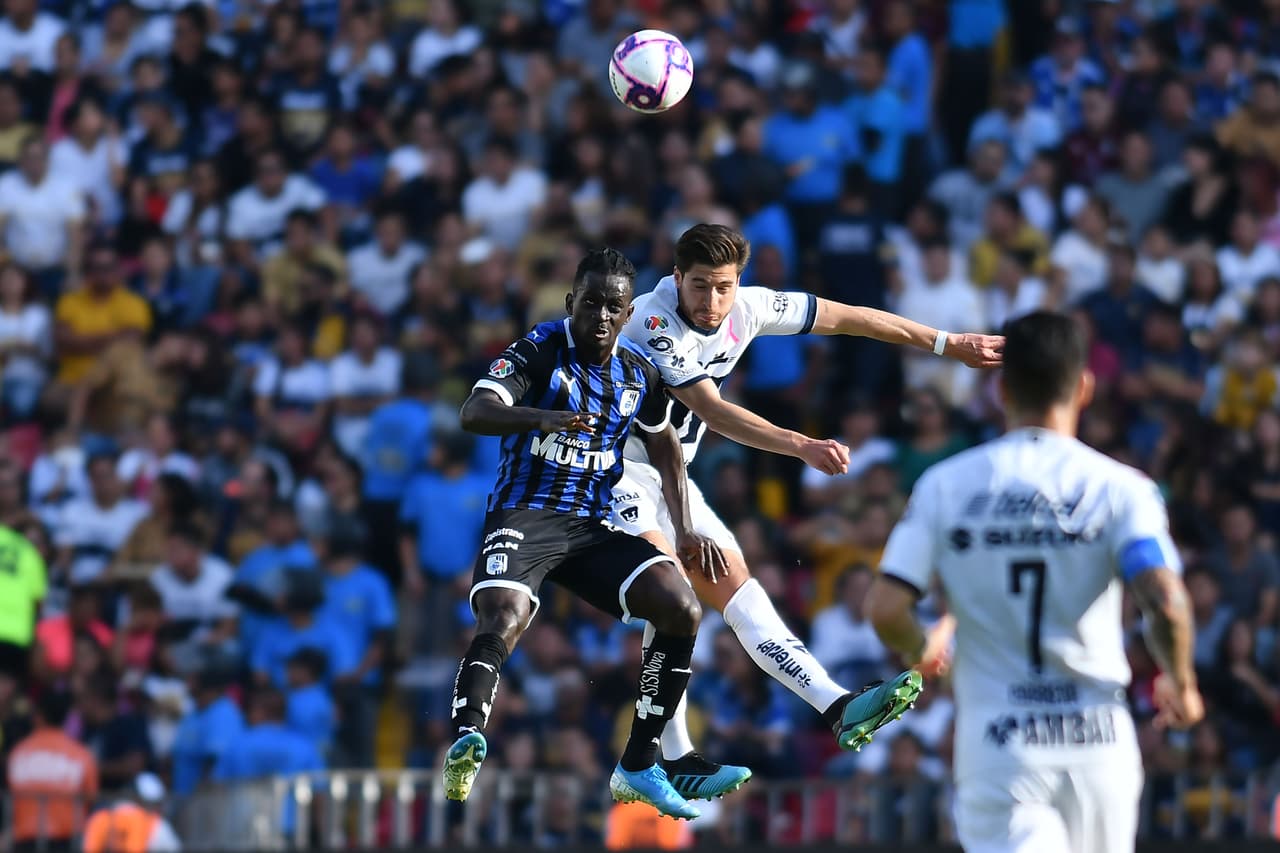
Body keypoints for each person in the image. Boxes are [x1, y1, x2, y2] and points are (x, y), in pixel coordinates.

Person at [608, 224, 1003, 799]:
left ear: (738, 282)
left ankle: (837, 706)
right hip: (611, 470)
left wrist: (947, 344)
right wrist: (800, 444)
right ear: (675, 278)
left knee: (738, 590)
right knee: (671, 594)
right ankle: (670, 756)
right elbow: (711, 411)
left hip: (672, 479)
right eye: (698, 286)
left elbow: (853, 317)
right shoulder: (651, 320)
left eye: (723, 287)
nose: (711, 302)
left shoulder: (750, 307)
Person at [864, 311, 1204, 853]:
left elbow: (885, 608)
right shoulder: (1122, 489)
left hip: (1001, 744)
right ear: (1085, 388)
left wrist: (919, 646)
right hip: (1099, 744)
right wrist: (1180, 680)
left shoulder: (946, 486)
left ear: (1001, 390)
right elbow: (1164, 598)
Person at [444, 248, 721, 820]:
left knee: (681, 609)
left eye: (612, 306)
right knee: (504, 615)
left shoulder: (638, 371)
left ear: (627, 315)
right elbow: (474, 411)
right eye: (590, 302)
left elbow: (665, 444)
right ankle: (467, 738)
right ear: (571, 301)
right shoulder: (541, 349)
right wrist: (541, 417)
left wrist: (686, 527)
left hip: (591, 528)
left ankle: (641, 764)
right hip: (524, 513)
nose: (599, 315)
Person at [7, 690, 98, 853]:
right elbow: (90, 797)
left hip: (24, 842)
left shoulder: (18, 753)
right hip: (66, 843)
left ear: (38, 716)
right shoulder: (81, 755)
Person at [82, 772, 181, 853]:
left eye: (155, 804)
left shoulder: (100, 817)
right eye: (150, 803)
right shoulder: (157, 825)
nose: (154, 808)